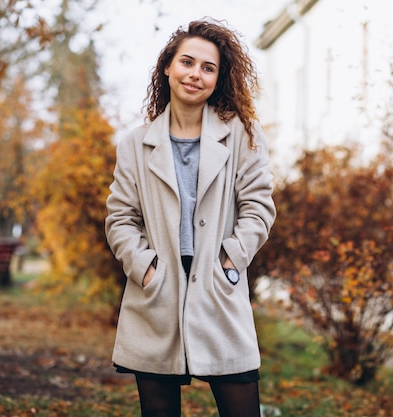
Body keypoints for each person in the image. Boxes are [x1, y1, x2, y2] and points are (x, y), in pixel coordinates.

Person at [104, 18, 276, 417]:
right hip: (156, 294)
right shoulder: (134, 144)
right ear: (168, 67)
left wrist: (230, 261)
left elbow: (258, 206)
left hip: (218, 287)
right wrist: (144, 268)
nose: (195, 74)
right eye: (187, 62)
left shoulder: (242, 135)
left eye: (208, 67)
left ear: (218, 79)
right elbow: (120, 218)